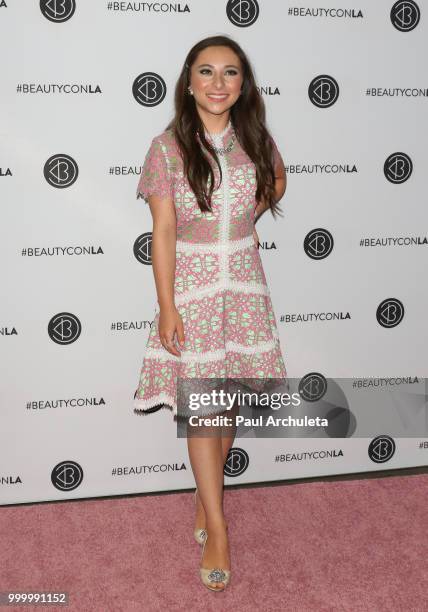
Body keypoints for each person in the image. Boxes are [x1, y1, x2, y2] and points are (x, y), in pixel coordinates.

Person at [133, 34, 288, 591]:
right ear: (189, 80)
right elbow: (165, 229)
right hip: (194, 290)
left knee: (228, 405)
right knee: (205, 409)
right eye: (207, 72)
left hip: (244, 286)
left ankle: (207, 496)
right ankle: (217, 527)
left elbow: (275, 181)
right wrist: (166, 306)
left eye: (230, 73)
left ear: (243, 84)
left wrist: (243, 222)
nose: (218, 83)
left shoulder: (255, 139)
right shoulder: (167, 148)